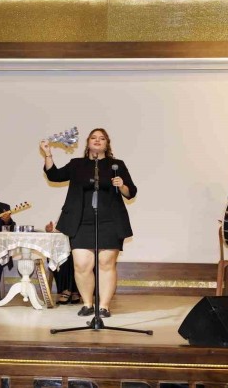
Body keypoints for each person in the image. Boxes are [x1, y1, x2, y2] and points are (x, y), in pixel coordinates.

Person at [41, 128, 136, 318]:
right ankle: (87, 303)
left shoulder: (117, 165)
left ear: (107, 144)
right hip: (81, 222)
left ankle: (104, 306)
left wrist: (121, 185)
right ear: (88, 142)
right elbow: (54, 176)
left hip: (110, 221)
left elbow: (130, 192)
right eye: (94, 137)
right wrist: (48, 154)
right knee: (81, 265)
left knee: (106, 264)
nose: (97, 140)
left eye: (102, 138)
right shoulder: (77, 164)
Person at [44, 220, 80, 305]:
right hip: (66, 242)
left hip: (81, 242)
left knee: (72, 256)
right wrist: (51, 229)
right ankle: (67, 290)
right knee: (59, 255)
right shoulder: (66, 214)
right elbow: (59, 227)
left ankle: (72, 290)